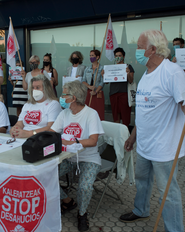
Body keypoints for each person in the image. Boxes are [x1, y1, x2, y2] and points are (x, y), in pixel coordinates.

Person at [118, 30, 185, 232]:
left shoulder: (172, 72)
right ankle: (141, 210)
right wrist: (133, 136)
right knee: (143, 181)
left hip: (164, 147)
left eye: (139, 46)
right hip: (144, 144)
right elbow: (145, 111)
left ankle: (174, 229)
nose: (135, 50)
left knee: (168, 192)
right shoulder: (146, 73)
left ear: (152, 49)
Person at [50, 80, 104, 232]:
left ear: (73, 98)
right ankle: (67, 201)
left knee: (85, 187)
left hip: (88, 158)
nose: (60, 97)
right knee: (47, 176)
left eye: (63, 94)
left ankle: (82, 214)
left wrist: (73, 140)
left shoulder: (91, 114)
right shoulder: (64, 113)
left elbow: (93, 141)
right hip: (68, 157)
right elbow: (53, 133)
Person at [109, 47, 135, 126]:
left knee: (125, 117)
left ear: (123, 56)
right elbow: (106, 82)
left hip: (124, 94)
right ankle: (117, 136)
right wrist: (104, 74)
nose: (118, 57)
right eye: (116, 56)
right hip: (113, 94)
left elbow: (131, 80)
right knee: (116, 117)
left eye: (120, 55)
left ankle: (126, 135)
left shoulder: (128, 66)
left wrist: (128, 73)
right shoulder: (111, 68)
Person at [82, 50, 105, 120]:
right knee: (88, 112)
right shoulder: (87, 68)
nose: (91, 57)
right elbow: (83, 80)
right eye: (90, 55)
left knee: (99, 113)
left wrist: (95, 91)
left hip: (97, 93)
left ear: (97, 57)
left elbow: (102, 82)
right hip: (89, 93)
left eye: (92, 55)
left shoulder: (102, 68)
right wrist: (89, 86)